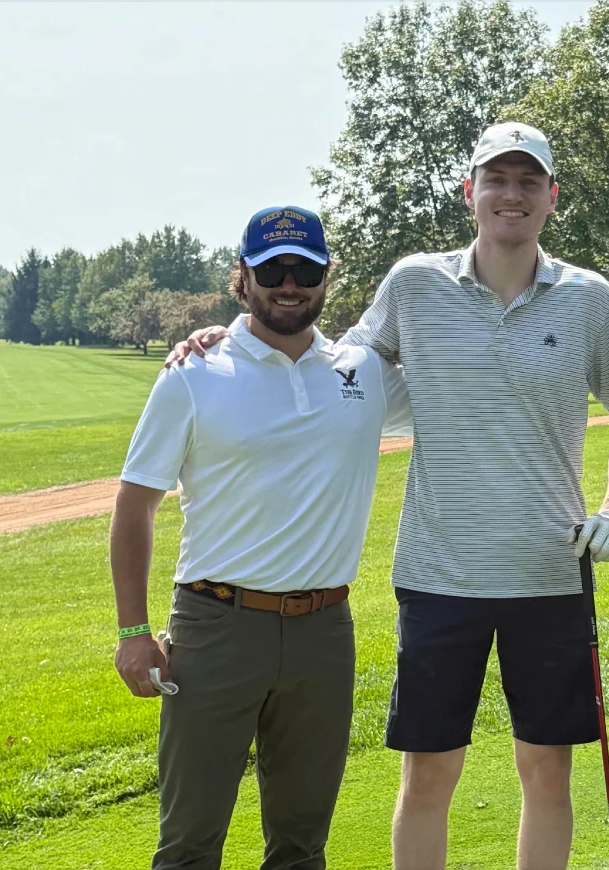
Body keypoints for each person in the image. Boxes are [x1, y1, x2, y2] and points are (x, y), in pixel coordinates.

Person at [168, 122, 609, 870]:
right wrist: (230, 335)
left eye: (526, 182)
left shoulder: (589, 299)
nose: (509, 194)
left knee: (547, 772)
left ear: (551, 197)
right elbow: (329, 362)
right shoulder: (414, 284)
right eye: (495, 179)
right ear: (469, 193)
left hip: (549, 574)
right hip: (438, 574)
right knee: (428, 774)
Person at [112, 205, 411, 870]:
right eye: (270, 268)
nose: (288, 282)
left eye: (303, 268)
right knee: (190, 843)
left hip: (324, 632)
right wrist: (134, 632)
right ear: (239, 278)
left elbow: (477, 374)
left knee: (302, 846)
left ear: (327, 275)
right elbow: (135, 505)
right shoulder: (193, 373)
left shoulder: (360, 371)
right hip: (216, 627)